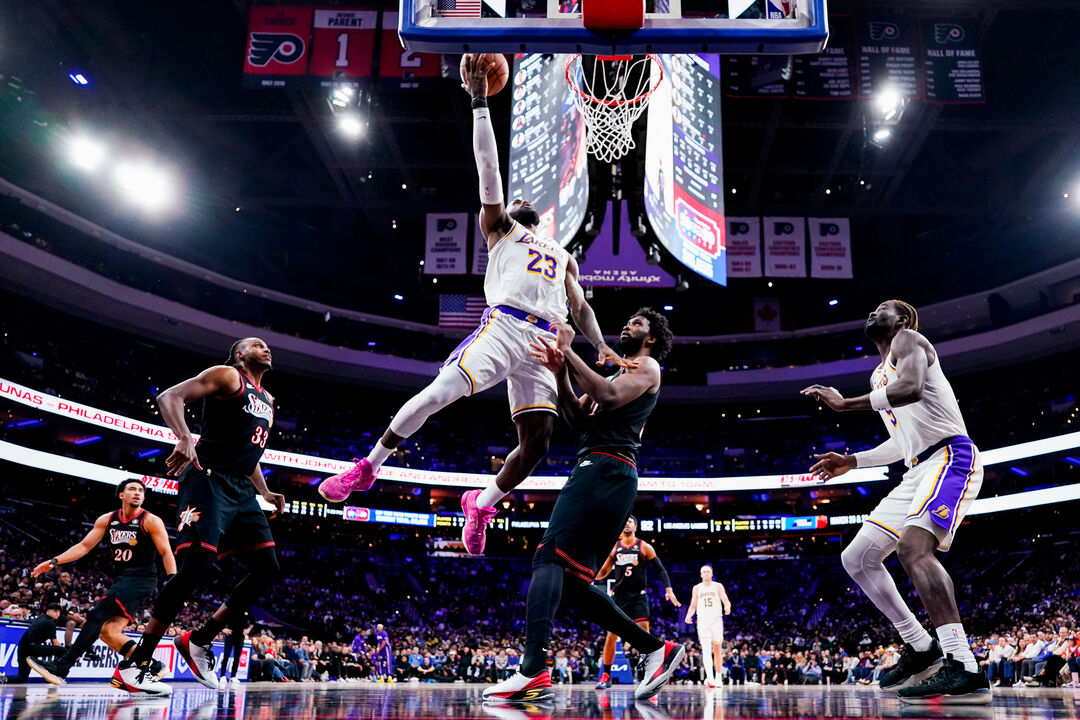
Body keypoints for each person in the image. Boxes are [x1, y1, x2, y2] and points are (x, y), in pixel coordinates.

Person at [318, 54, 627, 556]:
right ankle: (368, 467)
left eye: (523, 199)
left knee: (540, 444)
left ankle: (481, 502)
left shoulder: (563, 253)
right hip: (505, 327)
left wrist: (602, 349)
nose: (517, 199)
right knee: (441, 392)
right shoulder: (501, 229)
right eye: (513, 197)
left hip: (548, 342)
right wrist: (480, 101)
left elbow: (582, 308)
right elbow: (488, 169)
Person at [483, 309, 684, 703]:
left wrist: (569, 350)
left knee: (547, 558)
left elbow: (607, 397)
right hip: (603, 471)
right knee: (574, 585)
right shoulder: (615, 374)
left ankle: (532, 670)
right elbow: (576, 417)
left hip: (606, 468)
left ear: (652, 338)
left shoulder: (647, 366)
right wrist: (560, 370)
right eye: (627, 320)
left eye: (637, 324)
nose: (627, 325)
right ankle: (654, 648)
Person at [801, 300, 990, 705]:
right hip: (917, 467)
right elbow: (901, 442)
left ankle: (964, 666)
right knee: (857, 558)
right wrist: (853, 460)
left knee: (912, 549)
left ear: (902, 320)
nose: (873, 312)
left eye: (883, 308)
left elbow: (911, 389)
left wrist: (844, 403)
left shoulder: (910, 340)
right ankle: (920, 646)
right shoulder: (878, 375)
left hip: (949, 456)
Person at [112, 337, 286, 695]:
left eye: (268, 345)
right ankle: (135, 664)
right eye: (257, 344)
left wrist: (265, 492)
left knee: (268, 569)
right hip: (207, 477)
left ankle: (198, 640)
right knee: (198, 567)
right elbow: (168, 397)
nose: (265, 348)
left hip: (241, 488)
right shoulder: (227, 376)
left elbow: (248, 454)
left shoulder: (268, 400)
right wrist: (184, 436)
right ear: (240, 354)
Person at [26, 478, 177, 685]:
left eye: (141, 490)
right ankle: (152, 665)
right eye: (132, 489)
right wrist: (54, 561)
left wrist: (173, 583)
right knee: (108, 632)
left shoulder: (151, 520)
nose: (137, 493)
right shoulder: (108, 519)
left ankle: (63, 666)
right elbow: (84, 546)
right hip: (122, 579)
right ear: (121, 495)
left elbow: (166, 552)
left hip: (141, 579)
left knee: (97, 614)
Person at [593, 516, 680, 689]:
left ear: (636, 526)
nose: (627, 523)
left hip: (638, 597)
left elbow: (660, 569)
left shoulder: (644, 546)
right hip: (619, 596)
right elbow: (603, 571)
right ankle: (605, 676)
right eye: (624, 521)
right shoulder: (615, 548)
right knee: (611, 636)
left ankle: (649, 674)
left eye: (630, 521)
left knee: (644, 635)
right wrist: (589, 576)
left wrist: (668, 589)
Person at [684, 565, 732, 688]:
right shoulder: (697, 588)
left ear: (711, 574)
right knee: (705, 650)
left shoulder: (718, 586)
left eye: (708, 571)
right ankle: (710, 678)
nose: (706, 573)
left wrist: (727, 606)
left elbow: (725, 599)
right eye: (703, 572)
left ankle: (718, 677)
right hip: (703, 621)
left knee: (717, 650)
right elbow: (693, 604)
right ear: (701, 575)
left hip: (716, 620)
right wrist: (688, 615)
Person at [15, 603, 66, 683]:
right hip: (32, 649)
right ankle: (55, 673)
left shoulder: (40, 618)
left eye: (59, 612)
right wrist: (71, 653)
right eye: (55, 611)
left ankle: (3, 679)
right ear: (48, 611)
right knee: (63, 651)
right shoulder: (50, 623)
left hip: (22, 648)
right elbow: (55, 643)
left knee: (22, 678)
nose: (57, 614)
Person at [220, 609, 252, 686]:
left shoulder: (247, 610)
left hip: (240, 636)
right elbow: (219, 619)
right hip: (230, 635)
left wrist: (248, 629)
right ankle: (222, 675)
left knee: (237, 657)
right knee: (226, 656)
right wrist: (223, 629)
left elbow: (253, 622)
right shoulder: (230, 609)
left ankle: (233, 676)